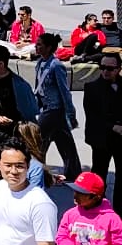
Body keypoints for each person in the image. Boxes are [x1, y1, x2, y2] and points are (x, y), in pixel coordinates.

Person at [35, 32, 82, 181]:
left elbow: (64, 91)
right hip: (45, 109)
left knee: (37, 141)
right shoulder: (39, 63)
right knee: (64, 142)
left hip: (54, 111)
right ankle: (73, 172)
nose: (36, 47)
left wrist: (71, 113)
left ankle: (36, 171)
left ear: (49, 48)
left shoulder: (56, 66)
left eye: (40, 45)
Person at [83, 51, 122, 214]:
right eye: (103, 67)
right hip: (101, 139)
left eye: (110, 68)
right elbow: (93, 116)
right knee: (99, 175)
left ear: (119, 69)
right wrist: (113, 126)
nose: (105, 71)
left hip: (120, 139)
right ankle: (96, 208)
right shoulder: (91, 87)